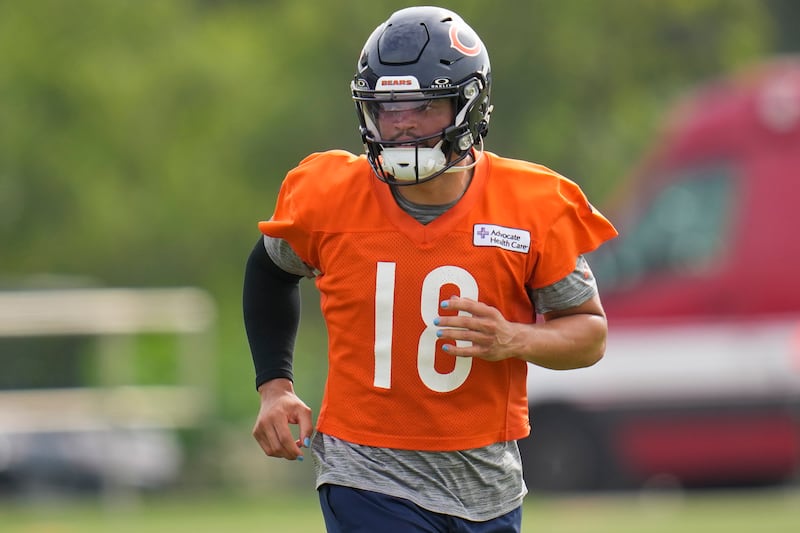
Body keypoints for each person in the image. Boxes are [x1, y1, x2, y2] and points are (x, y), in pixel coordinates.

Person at [243, 6, 618, 532]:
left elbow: (590, 334)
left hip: (487, 483)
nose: (403, 126)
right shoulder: (328, 197)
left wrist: (514, 338)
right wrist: (275, 386)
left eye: (425, 106)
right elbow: (268, 271)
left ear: (470, 105)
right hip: (367, 474)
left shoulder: (531, 205)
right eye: (389, 108)